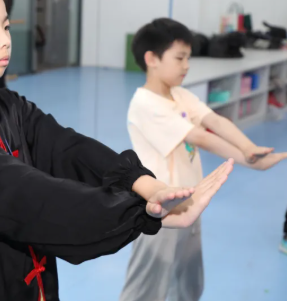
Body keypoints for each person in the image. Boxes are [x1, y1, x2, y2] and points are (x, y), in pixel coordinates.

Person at [0, 0, 234, 301]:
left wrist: (146, 185)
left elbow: (69, 149)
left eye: (6, 26)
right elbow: (26, 196)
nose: (5, 40)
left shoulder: (7, 105)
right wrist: (139, 213)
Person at [119, 18, 287, 301]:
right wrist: (250, 162)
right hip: (160, 211)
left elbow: (215, 122)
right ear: (152, 59)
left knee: (190, 285)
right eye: (180, 58)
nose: (187, 65)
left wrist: (249, 149)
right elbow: (201, 137)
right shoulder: (145, 104)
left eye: (189, 57)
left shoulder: (180, 95)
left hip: (190, 205)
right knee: (146, 290)